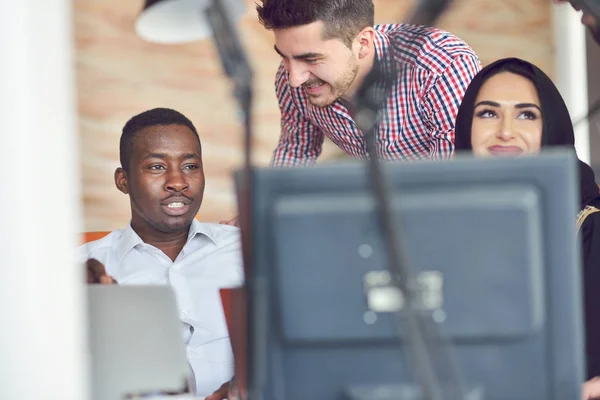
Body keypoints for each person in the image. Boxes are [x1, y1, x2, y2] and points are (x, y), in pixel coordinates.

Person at [452, 57, 600, 399]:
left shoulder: (590, 224)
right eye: (488, 113)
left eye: (526, 114)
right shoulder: (443, 228)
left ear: (552, 127)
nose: (505, 131)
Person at [78, 108, 242, 399]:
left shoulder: (247, 250)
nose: (177, 182)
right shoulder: (83, 269)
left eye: (190, 166)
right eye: (156, 167)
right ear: (123, 180)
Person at [257, 0, 481, 166]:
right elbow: (297, 150)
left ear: (363, 43)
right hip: (376, 190)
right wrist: (261, 213)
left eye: (311, 59)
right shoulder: (294, 75)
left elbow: (451, 180)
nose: (294, 79)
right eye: (284, 57)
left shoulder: (441, 65)